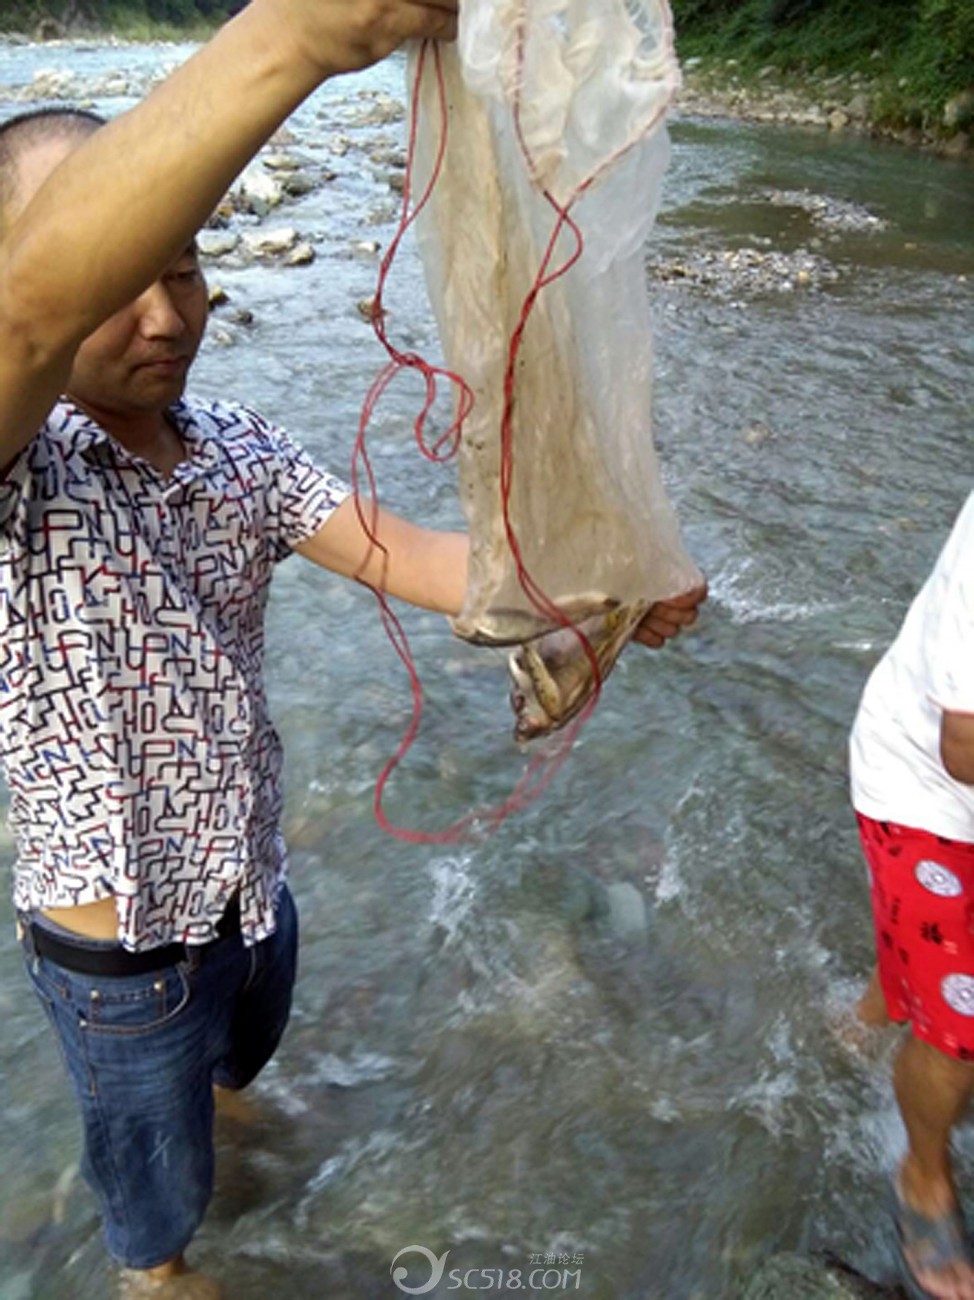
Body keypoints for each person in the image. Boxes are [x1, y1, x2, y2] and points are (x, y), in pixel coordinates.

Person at [0, 4, 708, 1295]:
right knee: (153, 1197)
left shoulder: (236, 447)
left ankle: (222, 1110)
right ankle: (154, 1274)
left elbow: (413, 557)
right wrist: (300, 34)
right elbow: (27, 320)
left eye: (183, 269)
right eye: (119, 278)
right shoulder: (22, 468)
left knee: (229, 1074)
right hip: (118, 958)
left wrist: (602, 581)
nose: (161, 314)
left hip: (251, 895)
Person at [850, 488, 974, 1300]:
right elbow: (963, 747)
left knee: (934, 954)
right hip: (922, 784)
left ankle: (868, 1014)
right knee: (963, 1022)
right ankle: (923, 1175)